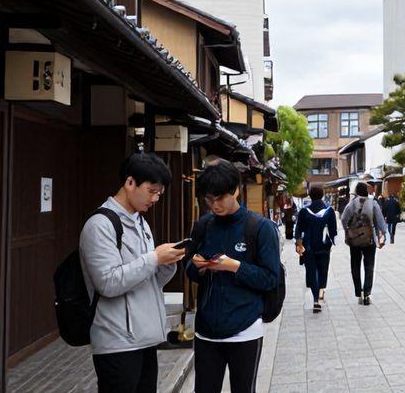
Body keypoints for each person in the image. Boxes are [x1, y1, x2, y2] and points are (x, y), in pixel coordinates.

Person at [79, 153, 185, 393]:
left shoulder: (140, 222)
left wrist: (167, 264)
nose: (155, 199)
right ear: (130, 183)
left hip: (144, 337)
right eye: (152, 191)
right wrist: (153, 258)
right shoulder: (99, 225)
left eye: (159, 193)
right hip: (117, 341)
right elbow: (108, 283)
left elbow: (148, 281)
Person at [185, 162, 281, 393]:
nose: (214, 205)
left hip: (245, 329)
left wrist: (234, 266)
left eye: (220, 198)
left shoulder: (261, 228)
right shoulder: (203, 226)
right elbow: (189, 270)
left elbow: (270, 278)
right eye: (209, 200)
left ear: (236, 191)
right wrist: (197, 266)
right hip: (206, 330)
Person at [340, 182, 388, 305]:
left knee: (355, 266)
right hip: (369, 239)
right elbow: (381, 222)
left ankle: (358, 292)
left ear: (356, 192)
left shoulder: (351, 204)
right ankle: (367, 293)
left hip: (354, 240)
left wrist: (348, 230)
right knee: (369, 266)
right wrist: (382, 235)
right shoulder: (373, 204)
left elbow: (344, 220)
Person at [294, 185, 338, 313]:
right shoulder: (329, 211)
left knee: (312, 272)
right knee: (323, 270)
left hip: (309, 246)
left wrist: (298, 243)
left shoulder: (304, 212)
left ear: (310, 196)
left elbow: (298, 229)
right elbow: (333, 230)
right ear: (323, 195)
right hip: (324, 245)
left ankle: (315, 300)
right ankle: (320, 294)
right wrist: (332, 242)